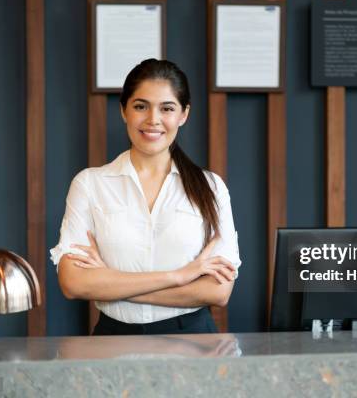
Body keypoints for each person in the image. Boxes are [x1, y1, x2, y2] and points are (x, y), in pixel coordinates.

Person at [50, 59, 241, 335]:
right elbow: (73, 283)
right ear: (124, 111)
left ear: (183, 115)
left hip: (192, 339)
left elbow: (219, 291)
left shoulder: (211, 187)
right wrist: (178, 277)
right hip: (112, 339)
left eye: (167, 108)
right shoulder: (90, 184)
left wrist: (112, 284)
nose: (153, 119)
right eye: (141, 106)